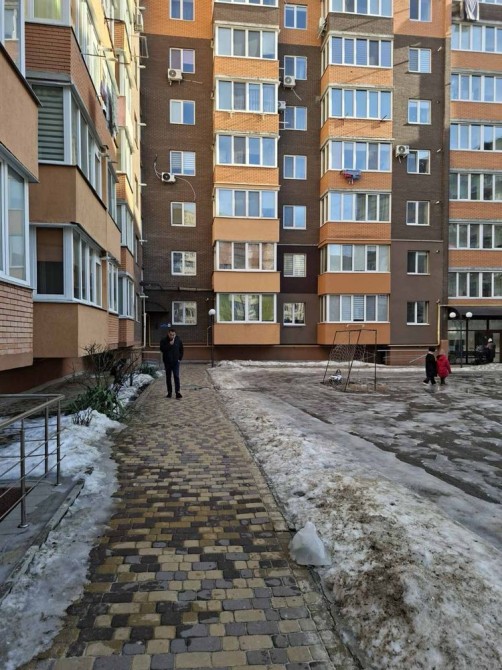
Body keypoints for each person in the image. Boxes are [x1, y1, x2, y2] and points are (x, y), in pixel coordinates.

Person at [160, 327, 184, 398]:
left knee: (176, 376)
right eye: (171, 335)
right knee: (168, 377)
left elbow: (181, 349)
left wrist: (179, 358)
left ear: (175, 334)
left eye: (173, 335)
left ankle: (178, 392)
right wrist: (169, 344)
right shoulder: (163, 340)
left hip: (176, 362)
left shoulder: (178, 340)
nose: (172, 336)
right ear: (168, 334)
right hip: (167, 362)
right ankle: (169, 392)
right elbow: (162, 349)